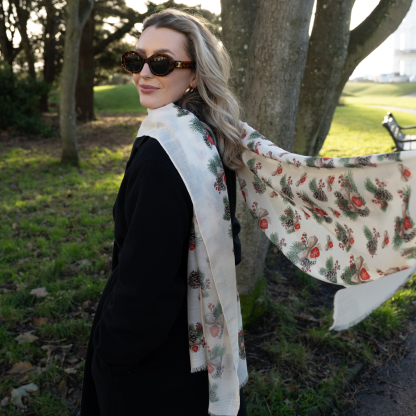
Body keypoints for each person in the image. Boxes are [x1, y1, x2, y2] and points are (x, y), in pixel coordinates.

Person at [81, 8, 248, 416]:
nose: (143, 73)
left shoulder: (163, 154)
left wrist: (111, 354)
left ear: (193, 75)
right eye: (136, 59)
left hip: (152, 364)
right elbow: (232, 241)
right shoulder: (204, 135)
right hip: (195, 346)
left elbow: (147, 285)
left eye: (162, 62)